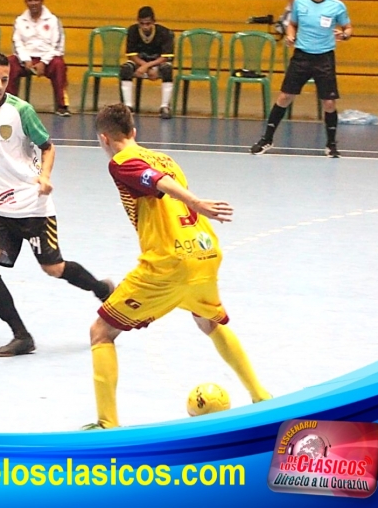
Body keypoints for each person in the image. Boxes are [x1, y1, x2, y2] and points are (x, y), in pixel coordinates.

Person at [83, 103, 271, 429]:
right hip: (204, 252)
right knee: (210, 322)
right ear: (134, 132)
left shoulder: (121, 163)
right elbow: (162, 180)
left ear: (104, 139)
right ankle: (261, 397)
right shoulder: (165, 158)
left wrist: (196, 202)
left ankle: (106, 425)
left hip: (168, 264)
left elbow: (156, 183)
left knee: (101, 332)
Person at [0, 51, 112, 357]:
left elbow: (48, 147)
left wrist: (44, 176)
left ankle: (101, 289)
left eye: (4, 79)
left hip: (32, 204)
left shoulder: (21, 111)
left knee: (53, 268)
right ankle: (21, 336)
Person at [250, 0, 351, 158]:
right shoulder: (300, 3)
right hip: (302, 57)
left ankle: (331, 144)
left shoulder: (337, 6)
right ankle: (267, 139)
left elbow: (348, 28)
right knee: (284, 97)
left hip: (324, 58)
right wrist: (290, 34)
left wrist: (344, 35)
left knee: (329, 102)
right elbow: (292, 24)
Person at [7, 0, 71, 117]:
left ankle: (62, 106)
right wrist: (26, 60)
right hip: (26, 60)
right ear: (26, 2)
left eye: (36, 0)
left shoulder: (53, 20)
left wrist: (43, 62)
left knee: (59, 64)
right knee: (10, 62)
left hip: (48, 59)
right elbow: (16, 43)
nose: (33, 3)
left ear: (42, 1)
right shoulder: (20, 21)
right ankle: (9, 104)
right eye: (30, 0)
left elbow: (57, 46)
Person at [120, 6, 175, 119]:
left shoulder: (165, 32)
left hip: (158, 63)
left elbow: (165, 57)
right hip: (139, 63)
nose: (145, 27)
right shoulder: (132, 31)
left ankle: (164, 106)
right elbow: (131, 55)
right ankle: (128, 106)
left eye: (148, 23)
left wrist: (148, 67)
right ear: (138, 22)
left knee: (167, 69)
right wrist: (144, 66)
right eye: (142, 24)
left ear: (154, 22)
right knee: (126, 69)